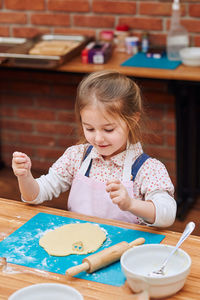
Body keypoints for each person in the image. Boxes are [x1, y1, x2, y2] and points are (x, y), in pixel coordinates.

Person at [12, 70, 176, 227]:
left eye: (108, 129)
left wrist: (131, 204)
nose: (98, 138)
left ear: (132, 121)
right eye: (89, 129)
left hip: (124, 250)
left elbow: (167, 215)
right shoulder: (76, 156)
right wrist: (25, 177)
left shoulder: (147, 169)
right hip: (79, 245)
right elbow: (36, 195)